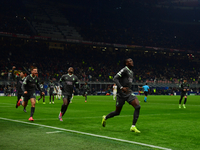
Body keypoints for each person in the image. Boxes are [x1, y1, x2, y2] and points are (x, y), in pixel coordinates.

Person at [102, 58, 141, 133]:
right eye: (129, 61)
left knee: (137, 106)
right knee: (117, 112)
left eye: (132, 61)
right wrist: (121, 87)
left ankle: (133, 126)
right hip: (121, 94)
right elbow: (115, 78)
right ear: (126, 63)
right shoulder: (124, 70)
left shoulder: (131, 72)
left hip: (128, 93)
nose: (131, 62)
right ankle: (105, 117)